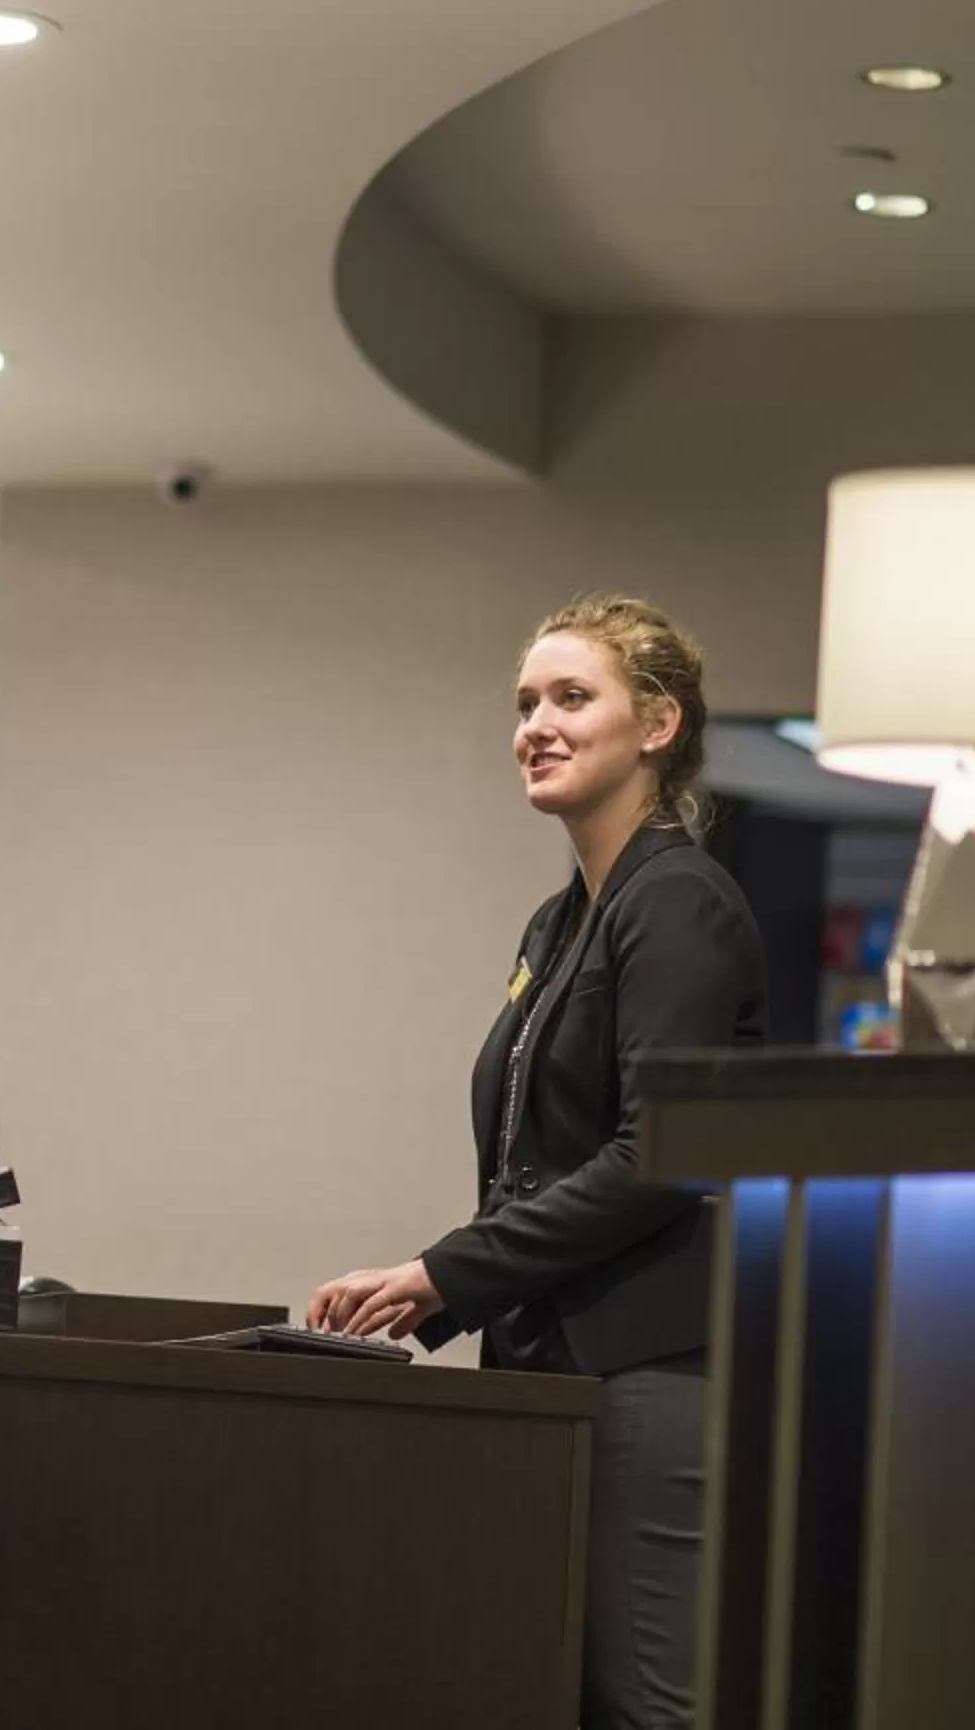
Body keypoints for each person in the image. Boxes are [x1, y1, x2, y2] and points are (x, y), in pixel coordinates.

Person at [306, 593, 765, 1730]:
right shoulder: (559, 925)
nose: (537, 724)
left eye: (572, 697)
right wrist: (451, 1284)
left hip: (652, 1369)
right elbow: (536, 1154)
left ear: (657, 725)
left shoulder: (681, 903)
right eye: (525, 703)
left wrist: (444, 1273)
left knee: (644, 1701)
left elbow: (659, 1152)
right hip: (552, 1366)